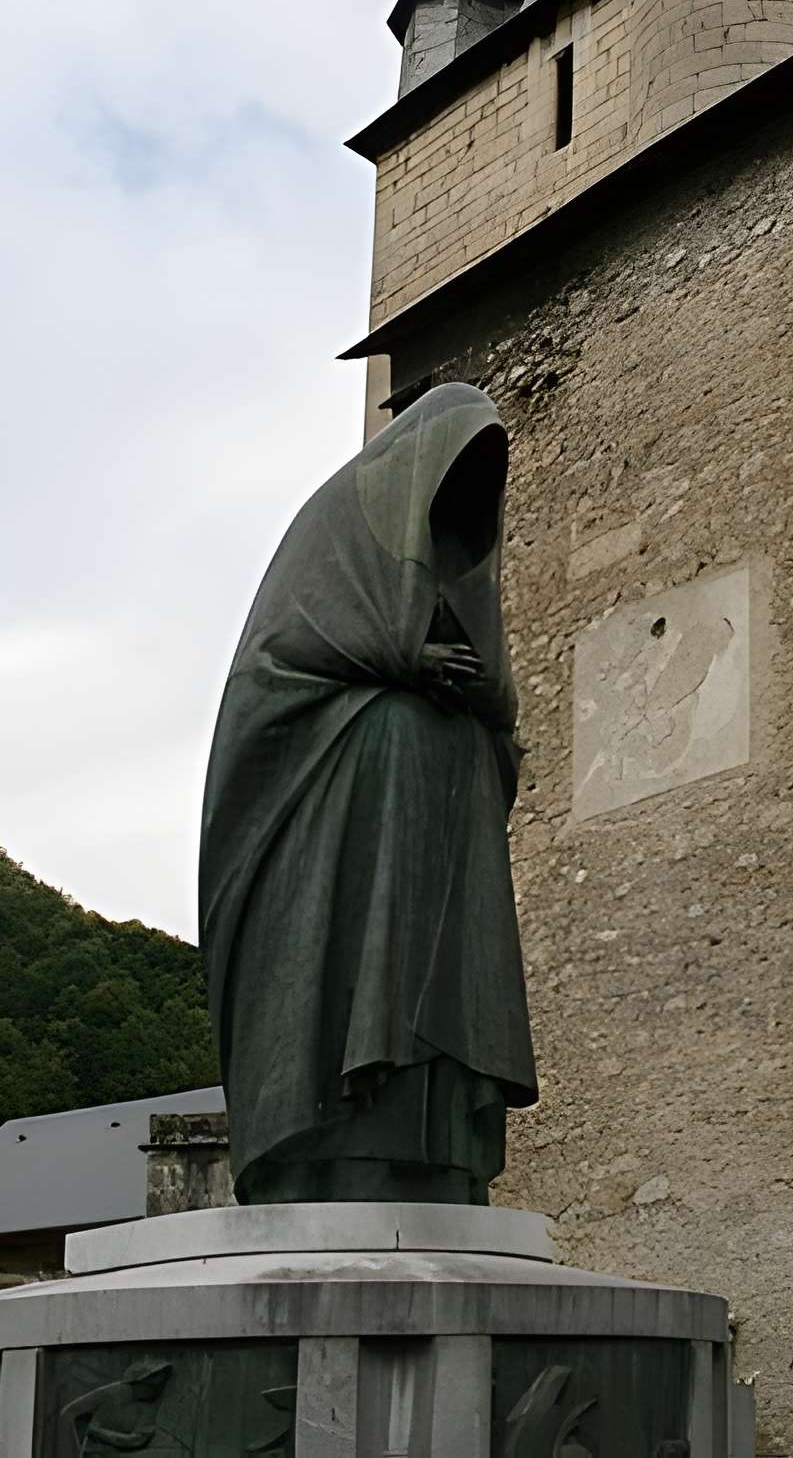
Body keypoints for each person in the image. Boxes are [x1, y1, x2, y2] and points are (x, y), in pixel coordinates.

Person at [199, 382, 537, 1205]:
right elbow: (265, 675)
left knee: (435, 990)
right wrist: (397, 662)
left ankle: (440, 1151)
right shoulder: (330, 545)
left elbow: (504, 724)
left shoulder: (460, 594)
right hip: (347, 842)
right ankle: (337, 1147)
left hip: (441, 874)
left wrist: (472, 703)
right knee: (358, 979)